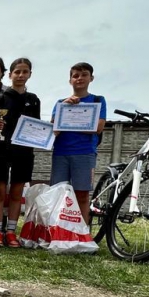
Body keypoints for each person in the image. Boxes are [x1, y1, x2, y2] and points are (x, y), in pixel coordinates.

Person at [0, 58, 40, 247]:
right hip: (1, 150)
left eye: (24, 72)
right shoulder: (0, 99)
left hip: (24, 151)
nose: (20, 75)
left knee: (17, 192)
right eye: (17, 72)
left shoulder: (33, 100)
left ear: (30, 75)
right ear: (10, 75)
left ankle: (11, 231)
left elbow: (36, 126)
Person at [50, 62, 107, 224]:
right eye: (75, 75)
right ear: (70, 80)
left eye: (84, 75)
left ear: (91, 78)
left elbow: (98, 127)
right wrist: (65, 108)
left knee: (82, 195)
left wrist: (69, 123)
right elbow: (53, 129)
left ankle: (82, 233)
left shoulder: (98, 100)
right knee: (57, 194)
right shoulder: (61, 102)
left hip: (84, 153)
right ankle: (57, 230)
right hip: (60, 153)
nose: (79, 78)